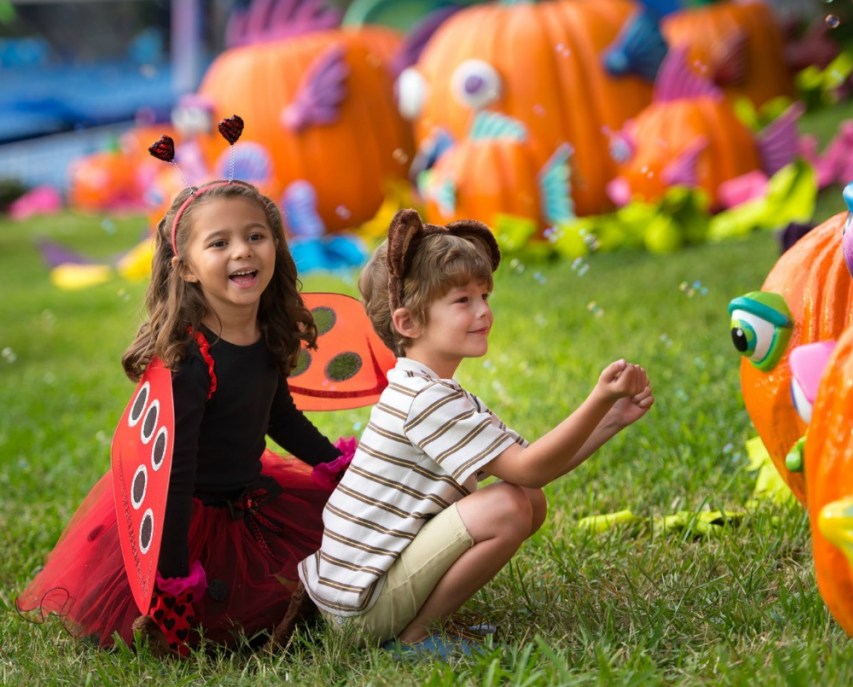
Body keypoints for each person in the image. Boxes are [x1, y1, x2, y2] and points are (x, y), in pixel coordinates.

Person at [17, 180, 355, 657]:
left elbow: (281, 417)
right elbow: (172, 476)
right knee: (245, 624)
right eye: (219, 243)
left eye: (256, 236)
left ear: (276, 245)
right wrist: (172, 581)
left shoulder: (270, 330)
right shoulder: (189, 361)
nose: (243, 251)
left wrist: (337, 469)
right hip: (183, 520)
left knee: (342, 568)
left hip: (250, 498)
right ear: (187, 268)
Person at [298, 208, 655, 658]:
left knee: (527, 501)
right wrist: (597, 400)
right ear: (408, 323)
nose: (484, 311)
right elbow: (529, 469)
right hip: (359, 608)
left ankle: (425, 618)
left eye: (484, 295)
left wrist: (611, 421)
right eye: (462, 300)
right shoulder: (425, 399)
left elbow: (534, 472)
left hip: (363, 591)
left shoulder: (430, 388)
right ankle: (414, 638)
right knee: (508, 506)